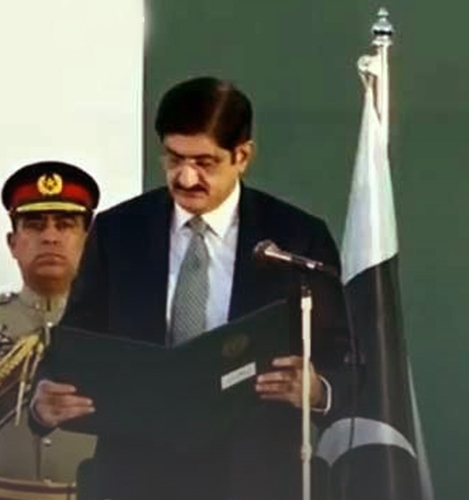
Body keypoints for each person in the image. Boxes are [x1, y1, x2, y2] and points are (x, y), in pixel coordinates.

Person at [28, 77, 351, 500]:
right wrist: (43, 399)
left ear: (242, 156)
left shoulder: (296, 238)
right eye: (174, 158)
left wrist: (318, 389)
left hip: (255, 476)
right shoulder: (118, 230)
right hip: (135, 475)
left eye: (204, 162)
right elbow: (77, 341)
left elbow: (342, 354)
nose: (185, 177)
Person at [0, 161, 99, 498]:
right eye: (35, 225)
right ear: (13, 243)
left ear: (88, 241)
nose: (50, 236)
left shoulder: (120, 329)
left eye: (65, 224)